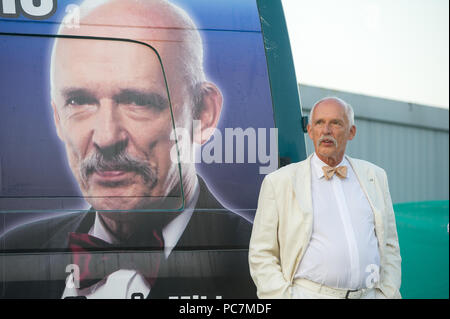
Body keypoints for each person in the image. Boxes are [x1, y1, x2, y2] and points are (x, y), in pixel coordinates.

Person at [0, 0, 255, 299]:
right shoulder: (16, 248)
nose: (107, 137)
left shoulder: (259, 264)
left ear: (203, 114)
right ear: (57, 118)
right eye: (79, 101)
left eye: (138, 101)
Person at [249, 97, 401, 299]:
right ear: (310, 131)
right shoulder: (280, 182)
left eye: (336, 123)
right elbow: (262, 253)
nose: (326, 130)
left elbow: (389, 245)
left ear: (351, 132)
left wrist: (386, 294)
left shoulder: (375, 176)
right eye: (319, 123)